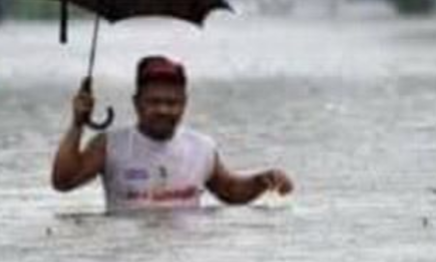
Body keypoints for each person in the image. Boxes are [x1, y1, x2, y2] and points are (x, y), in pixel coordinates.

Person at [51, 55, 294, 212]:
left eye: (172, 102)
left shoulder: (202, 147)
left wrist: (263, 180)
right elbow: (63, 182)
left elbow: (230, 191)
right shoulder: (109, 145)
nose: (163, 110)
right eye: (154, 102)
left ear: (185, 103)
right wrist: (77, 124)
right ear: (137, 103)